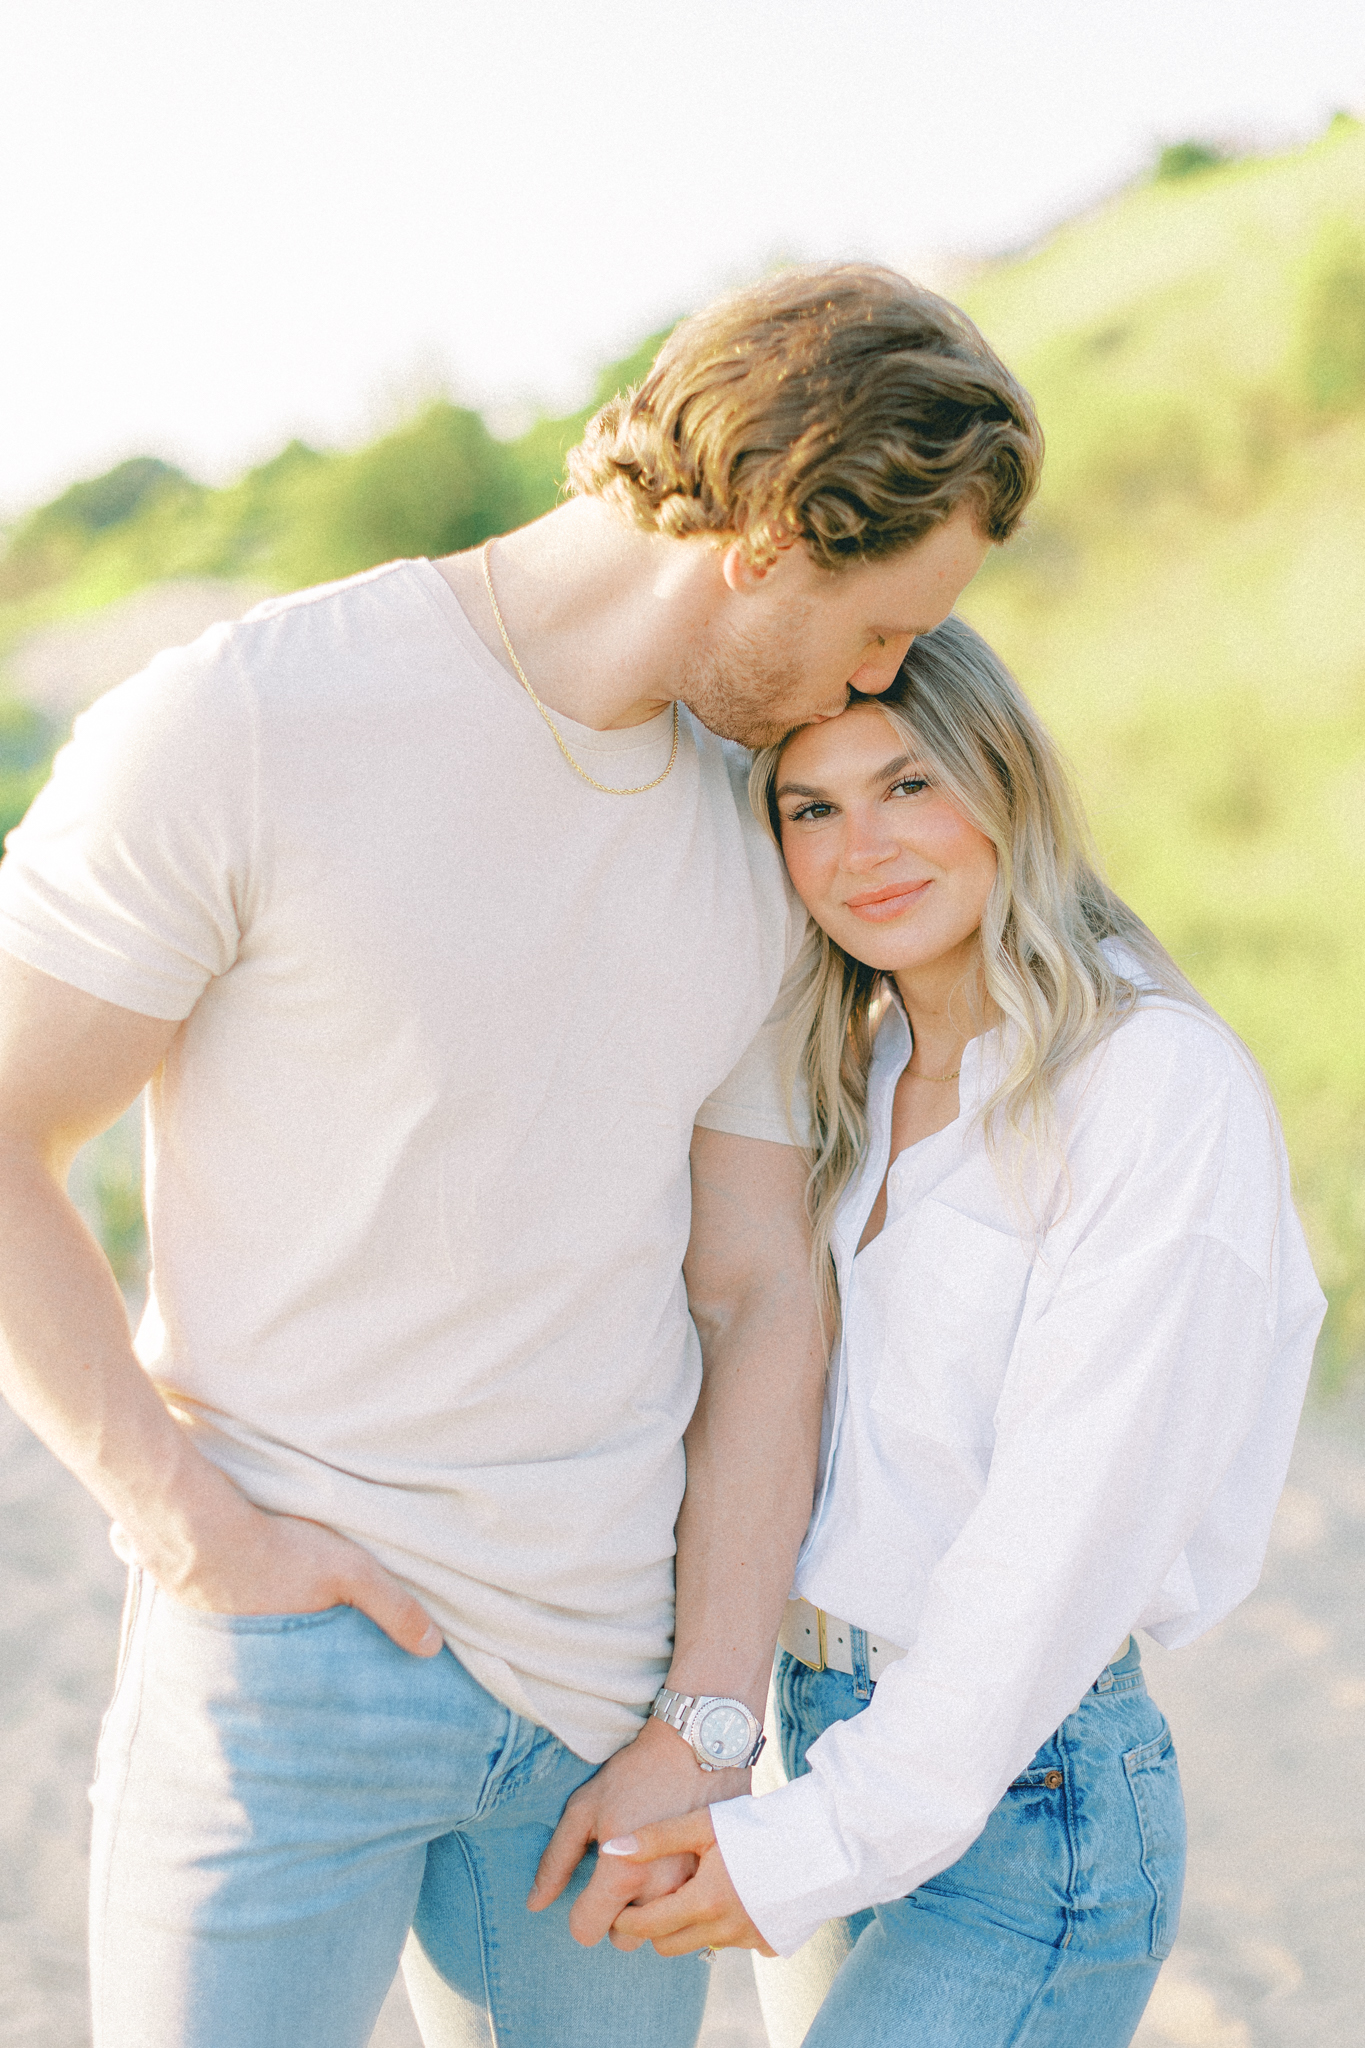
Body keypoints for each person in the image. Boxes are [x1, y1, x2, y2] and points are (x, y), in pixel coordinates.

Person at [0, 269, 1043, 2048]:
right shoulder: (252, 722)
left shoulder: (762, 821)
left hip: (608, 1706)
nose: (886, 682)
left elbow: (759, 1286)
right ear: (773, 531)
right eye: (879, 625)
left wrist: (706, 1715)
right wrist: (184, 1530)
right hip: (290, 1664)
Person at [594, 615, 1325, 2047]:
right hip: (824, 1747)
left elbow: (1056, 1543)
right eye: (812, 807)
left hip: (1020, 1807)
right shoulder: (845, 1083)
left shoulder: (1150, 1087)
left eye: (910, 784)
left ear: (1005, 787)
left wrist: (814, 1844)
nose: (862, 846)